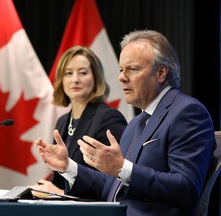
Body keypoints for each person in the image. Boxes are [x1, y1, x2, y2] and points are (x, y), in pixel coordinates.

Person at [34, 30, 217, 215]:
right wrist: (68, 167)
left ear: (161, 73)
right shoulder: (136, 123)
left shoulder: (187, 112)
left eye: (133, 69)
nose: (121, 77)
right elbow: (110, 187)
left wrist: (123, 168)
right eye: (121, 70)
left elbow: (186, 189)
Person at [31, 46, 127, 195]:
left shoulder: (109, 118)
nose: (75, 79)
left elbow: (115, 181)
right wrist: (40, 187)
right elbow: (61, 177)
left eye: (82, 73)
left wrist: (60, 193)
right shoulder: (63, 122)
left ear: (96, 78)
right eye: (68, 73)